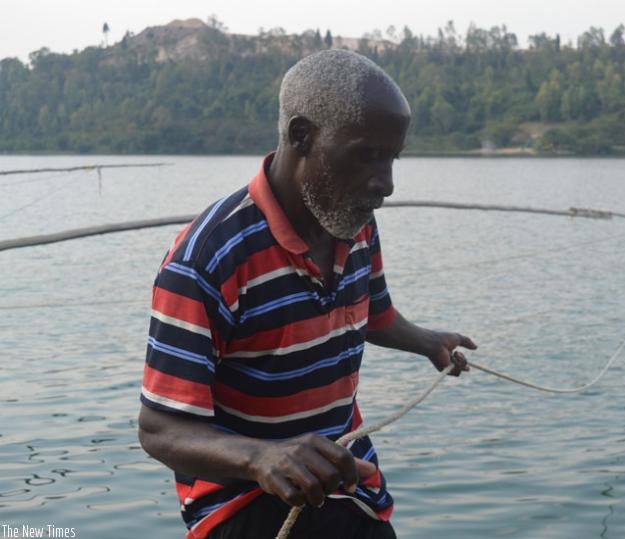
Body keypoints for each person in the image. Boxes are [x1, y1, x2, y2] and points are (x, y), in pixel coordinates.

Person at [138, 49, 476, 539]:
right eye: (367, 154)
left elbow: (373, 315)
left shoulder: (354, 223)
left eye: (392, 157)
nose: (386, 184)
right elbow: (159, 428)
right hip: (242, 501)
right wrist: (261, 457)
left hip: (348, 481)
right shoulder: (208, 259)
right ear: (302, 136)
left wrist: (427, 342)